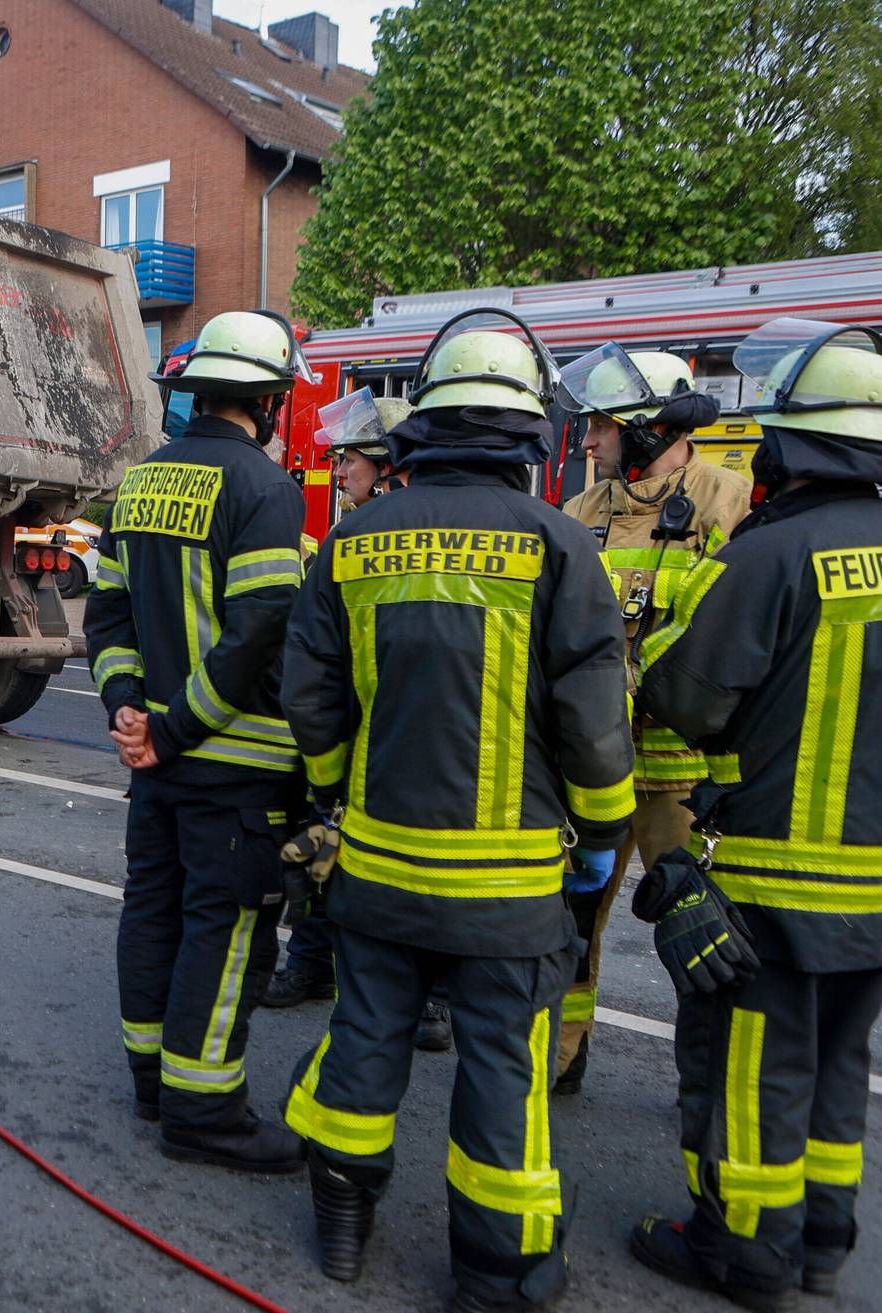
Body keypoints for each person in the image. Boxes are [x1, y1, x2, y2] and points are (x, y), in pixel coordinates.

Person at [280, 310, 635, 1311]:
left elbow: (308, 696)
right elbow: (594, 720)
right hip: (511, 891)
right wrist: (602, 836)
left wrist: (342, 787)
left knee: (366, 1036)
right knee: (501, 1074)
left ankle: (343, 1224)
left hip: (379, 868)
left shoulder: (351, 542)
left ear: (421, 430)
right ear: (528, 437)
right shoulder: (564, 545)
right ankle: (496, 1271)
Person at [626, 319, 882, 1309]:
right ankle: (822, 1240)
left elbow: (685, 697)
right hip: (872, 889)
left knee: (754, 1071)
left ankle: (743, 1251)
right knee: (838, 1063)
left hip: (773, 880)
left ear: (803, 441)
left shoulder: (771, 559)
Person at [84, 310, 311, 1174]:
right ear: (269, 400)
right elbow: (257, 631)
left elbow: (107, 617)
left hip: (157, 764)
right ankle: (205, 1109)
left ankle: (152, 1080)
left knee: (154, 910)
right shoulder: (265, 490)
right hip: (235, 767)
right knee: (226, 931)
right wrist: (174, 731)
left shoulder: (137, 485)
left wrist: (127, 712)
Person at [552, 345, 750, 1095]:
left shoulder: (728, 498)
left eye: (603, 425)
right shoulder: (582, 511)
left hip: (682, 774)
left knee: (700, 929)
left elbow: (729, 634)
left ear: (646, 427)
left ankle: (712, 1084)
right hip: (596, 765)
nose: (591, 440)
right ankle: (562, 1056)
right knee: (572, 924)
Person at [265, 391, 456, 1054]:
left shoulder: (420, 538)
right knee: (322, 847)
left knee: (417, 863)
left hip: (402, 728)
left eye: (354, 458)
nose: (340, 469)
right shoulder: (344, 537)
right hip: (343, 724)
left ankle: (430, 995)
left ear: (391, 463)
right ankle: (312, 965)